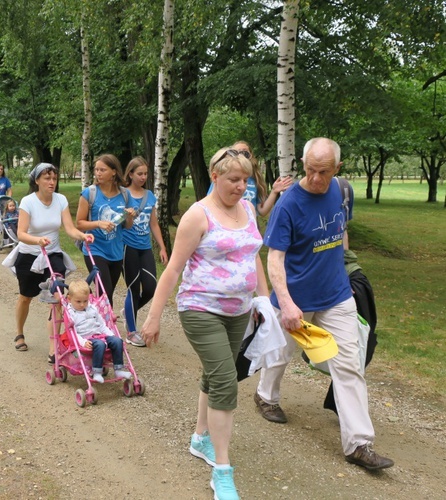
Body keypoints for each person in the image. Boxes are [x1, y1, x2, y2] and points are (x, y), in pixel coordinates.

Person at [253, 137, 394, 471]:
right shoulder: (288, 204)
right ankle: (265, 396)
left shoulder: (342, 190)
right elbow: (275, 258)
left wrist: (348, 269)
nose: (317, 179)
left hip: (336, 294)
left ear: (338, 169)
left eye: (325, 172)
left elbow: (340, 230)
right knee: (281, 353)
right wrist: (286, 304)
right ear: (303, 164)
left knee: (349, 364)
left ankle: (359, 444)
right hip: (296, 299)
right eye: (311, 170)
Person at [140, 147, 270, 500]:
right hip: (200, 308)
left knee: (214, 375)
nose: (241, 187)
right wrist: (153, 317)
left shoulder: (246, 209)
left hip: (238, 311)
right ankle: (223, 471)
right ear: (215, 177)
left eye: (245, 180)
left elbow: (253, 255)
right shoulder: (197, 216)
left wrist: (264, 299)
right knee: (226, 381)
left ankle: (200, 438)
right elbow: (173, 269)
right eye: (233, 180)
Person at [1, 162, 91, 360]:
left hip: (53, 254)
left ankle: (54, 346)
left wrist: (82, 236)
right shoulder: (28, 201)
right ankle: (19, 333)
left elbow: (69, 228)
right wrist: (37, 240)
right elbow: (21, 233)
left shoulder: (61, 199)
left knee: (58, 297)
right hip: (29, 255)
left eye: (54, 178)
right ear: (37, 180)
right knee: (26, 296)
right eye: (47, 178)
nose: (52, 182)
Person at [75, 153, 136, 308]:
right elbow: (79, 224)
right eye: (96, 170)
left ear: (114, 172)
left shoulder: (124, 194)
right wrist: (98, 223)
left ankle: (91, 316)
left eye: (102, 170)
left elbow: (127, 226)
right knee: (105, 291)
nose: (98, 173)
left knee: (107, 293)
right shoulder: (89, 193)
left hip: (115, 251)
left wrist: (129, 216)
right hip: (94, 249)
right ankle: (105, 327)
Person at [120, 157, 169, 347]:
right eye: (139, 174)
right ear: (130, 174)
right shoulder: (123, 195)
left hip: (145, 247)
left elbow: (154, 223)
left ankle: (128, 312)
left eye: (145, 174)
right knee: (133, 288)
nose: (143, 177)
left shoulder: (149, 195)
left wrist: (162, 247)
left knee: (150, 288)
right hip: (127, 247)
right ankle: (131, 332)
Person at [65, 280, 132, 383]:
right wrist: (83, 342)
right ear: (69, 299)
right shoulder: (70, 313)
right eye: (78, 301)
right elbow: (73, 333)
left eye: (85, 301)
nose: (83, 305)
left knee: (118, 341)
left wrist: (112, 335)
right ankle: (97, 372)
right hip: (86, 338)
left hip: (100, 335)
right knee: (100, 345)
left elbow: (102, 325)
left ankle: (118, 369)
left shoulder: (92, 309)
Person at [206, 141, 293, 216]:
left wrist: (274, 191)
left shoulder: (256, 179)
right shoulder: (222, 179)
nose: (242, 186)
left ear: (251, 155)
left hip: (250, 226)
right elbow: (210, 204)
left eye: (245, 152)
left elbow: (262, 211)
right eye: (234, 179)